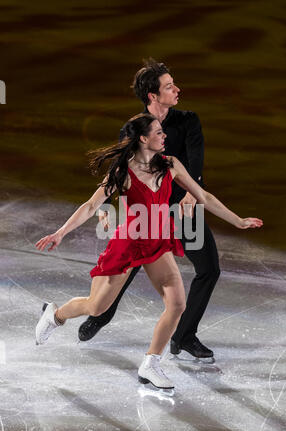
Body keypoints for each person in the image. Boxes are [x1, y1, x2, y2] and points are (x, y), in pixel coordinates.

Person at [35, 113, 262, 389]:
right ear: (143, 139)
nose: (164, 136)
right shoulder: (123, 171)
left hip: (157, 244)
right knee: (96, 305)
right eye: (158, 133)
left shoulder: (171, 164)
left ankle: (151, 364)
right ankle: (55, 315)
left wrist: (237, 220)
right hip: (129, 243)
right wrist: (60, 233)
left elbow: (204, 197)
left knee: (177, 304)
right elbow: (91, 206)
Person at [79, 59, 220, 361]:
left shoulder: (188, 121)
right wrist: (106, 206)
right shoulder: (134, 129)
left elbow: (195, 161)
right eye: (170, 86)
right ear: (153, 96)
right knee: (129, 266)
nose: (177, 89)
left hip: (184, 209)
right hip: (148, 215)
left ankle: (183, 336)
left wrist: (191, 194)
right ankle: (99, 313)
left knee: (209, 268)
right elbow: (120, 174)